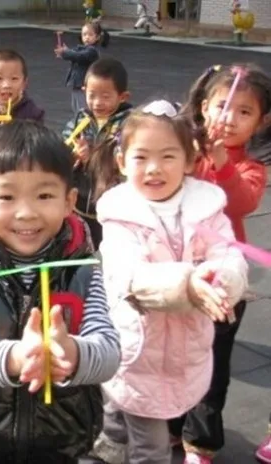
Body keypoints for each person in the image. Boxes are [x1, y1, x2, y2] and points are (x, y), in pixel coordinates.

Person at [0, 120, 120, 463]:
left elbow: (109, 351)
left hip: (62, 438)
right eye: (6, 197)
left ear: (69, 201)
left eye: (44, 196)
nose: (26, 212)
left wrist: (72, 353)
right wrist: (18, 357)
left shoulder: (81, 271)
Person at [90, 100, 248, 464]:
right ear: (121, 162)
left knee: (124, 405)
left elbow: (227, 254)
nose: (154, 168)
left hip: (184, 343)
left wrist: (219, 279)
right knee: (151, 446)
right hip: (137, 345)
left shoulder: (206, 207)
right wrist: (189, 284)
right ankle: (113, 440)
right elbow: (129, 274)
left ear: (189, 160)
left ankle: (110, 438)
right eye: (141, 157)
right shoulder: (119, 214)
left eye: (168, 156)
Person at [169, 63, 269, 464]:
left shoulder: (249, 168)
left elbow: (242, 201)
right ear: (203, 107)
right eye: (222, 106)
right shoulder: (185, 151)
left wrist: (222, 163)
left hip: (222, 279)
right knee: (172, 355)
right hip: (179, 271)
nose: (229, 118)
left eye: (245, 112)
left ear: (261, 122)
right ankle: (172, 425)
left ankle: (200, 442)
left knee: (210, 362)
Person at [61, 57, 132, 249]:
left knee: (110, 247)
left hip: (113, 202)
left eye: (106, 97)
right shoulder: (80, 119)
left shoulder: (130, 124)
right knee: (78, 244)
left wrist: (93, 156)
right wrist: (72, 154)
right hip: (79, 200)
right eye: (92, 95)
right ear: (84, 91)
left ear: (123, 97)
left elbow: (127, 158)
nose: (97, 102)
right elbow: (64, 145)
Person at [54, 20, 109, 115]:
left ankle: (85, 123)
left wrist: (65, 52)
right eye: (84, 35)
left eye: (90, 35)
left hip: (83, 86)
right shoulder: (82, 49)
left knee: (83, 110)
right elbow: (75, 54)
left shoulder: (92, 51)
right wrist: (65, 52)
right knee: (77, 109)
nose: (87, 37)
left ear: (97, 37)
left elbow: (78, 56)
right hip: (77, 85)